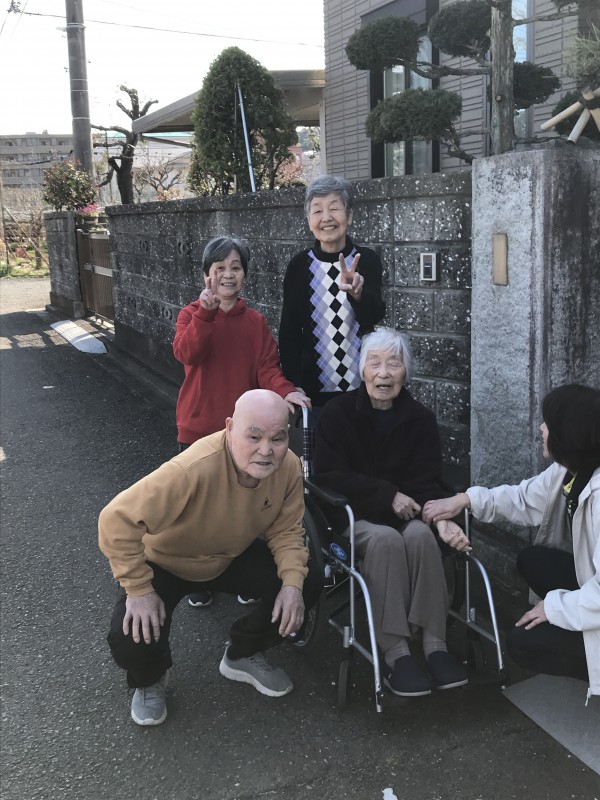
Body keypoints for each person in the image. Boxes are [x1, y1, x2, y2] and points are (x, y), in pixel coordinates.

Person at [99, 390, 323, 726]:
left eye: (278, 438)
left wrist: (291, 585)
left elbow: (287, 531)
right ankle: (150, 678)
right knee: (131, 635)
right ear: (230, 428)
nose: (266, 450)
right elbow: (115, 520)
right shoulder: (193, 468)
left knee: (306, 581)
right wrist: (138, 589)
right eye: (254, 436)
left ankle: (242, 653)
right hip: (164, 559)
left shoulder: (288, 467)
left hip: (229, 554)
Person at [313, 328, 470, 697]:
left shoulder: (420, 419)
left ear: (406, 372)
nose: (383, 373)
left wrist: (441, 519)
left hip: (406, 515)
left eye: (394, 364)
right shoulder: (337, 414)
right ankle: (396, 652)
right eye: (375, 363)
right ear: (362, 370)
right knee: (385, 541)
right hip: (352, 515)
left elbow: (426, 479)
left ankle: (434, 644)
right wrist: (387, 496)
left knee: (420, 536)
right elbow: (329, 475)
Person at [423, 384, 600, 699]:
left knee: (522, 644)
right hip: (593, 586)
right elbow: (523, 498)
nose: (541, 428)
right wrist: (465, 500)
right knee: (533, 560)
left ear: (568, 434)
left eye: (548, 423)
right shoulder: (571, 469)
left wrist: (555, 607)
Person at [173, 236, 310, 608]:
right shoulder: (190, 314)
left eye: (236, 267)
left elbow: (267, 368)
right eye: (220, 268)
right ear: (207, 274)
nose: (228, 275)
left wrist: (285, 392)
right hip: (198, 426)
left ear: (245, 275)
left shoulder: (255, 322)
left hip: (243, 433)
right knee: (197, 505)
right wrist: (205, 314)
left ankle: (244, 574)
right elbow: (187, 353)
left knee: (245, 506)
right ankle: (196, 574)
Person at [278, 175, 385, 414]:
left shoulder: (366, 260)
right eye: (317, 210)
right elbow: (289, 331)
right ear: (309, 220)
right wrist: (292, 382)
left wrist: (358, 294)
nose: (326, 217)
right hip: (313, 390)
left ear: (349, 215)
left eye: (334, 208)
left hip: (363, 385)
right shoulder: (299, 266)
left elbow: (374, 315)